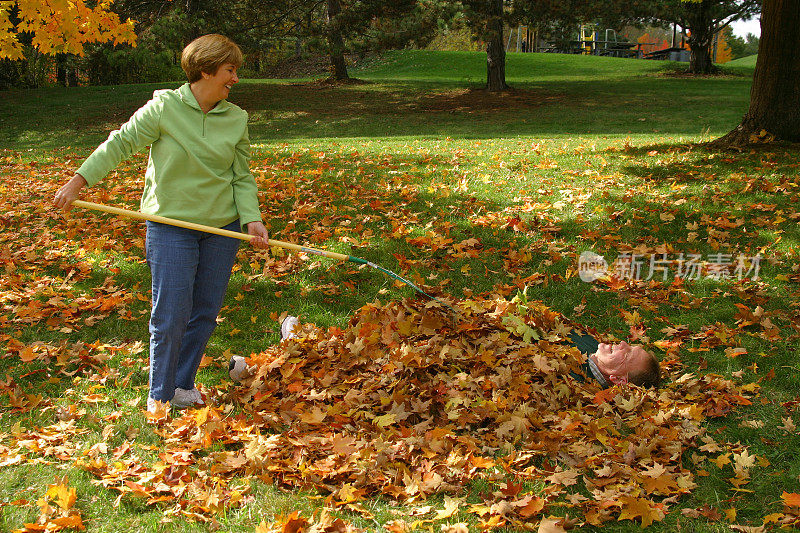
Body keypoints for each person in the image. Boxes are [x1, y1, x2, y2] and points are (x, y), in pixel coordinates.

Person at [54, 34, 269, 413]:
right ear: (206, 69)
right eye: (230, 70)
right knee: (170, 313)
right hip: (171, 226)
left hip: (223, 228)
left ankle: (182, 385)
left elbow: (241, 176)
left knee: (204, 309)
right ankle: (159, 393)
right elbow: (119, 144)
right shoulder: (164, 107)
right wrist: (78, 181)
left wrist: (251, 219)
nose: (235, 78)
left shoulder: (236, 118)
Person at [228, 316, 661, 388]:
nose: (619, 344)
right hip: (475, 333)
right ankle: (305, 344)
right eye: (627, 342)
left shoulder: (577, 383)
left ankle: (268, 367)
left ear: (618, 379)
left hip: (462, 364)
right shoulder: (586, 344)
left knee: (377, 365)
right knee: (386, 337)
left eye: (625, 354)